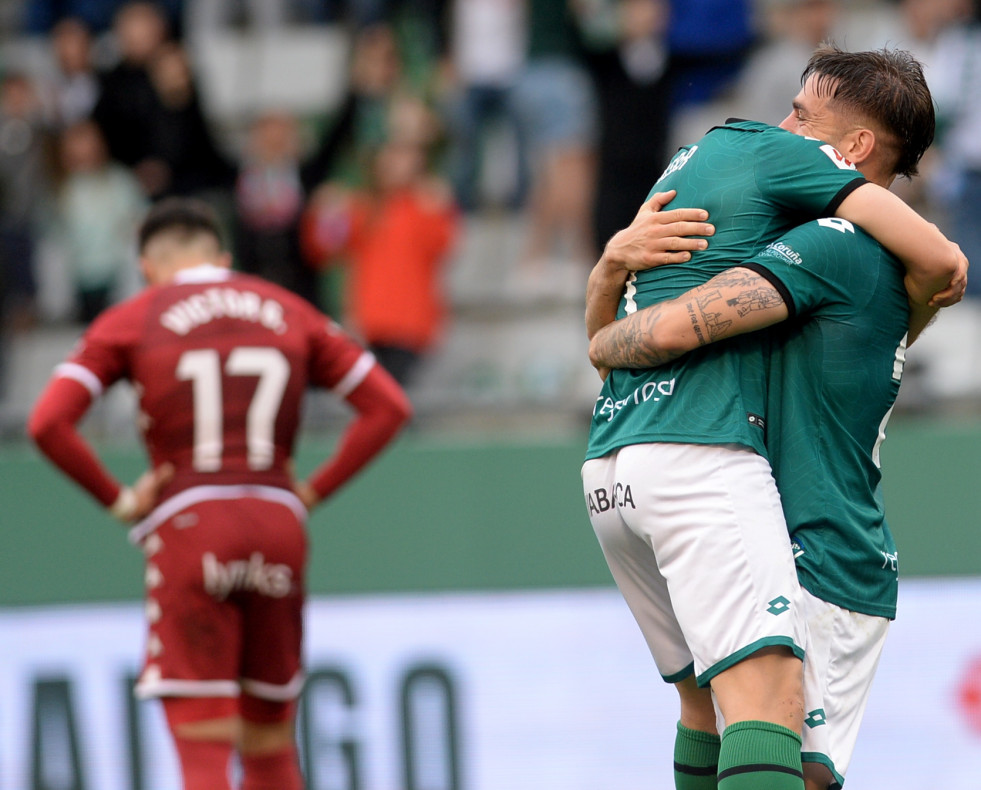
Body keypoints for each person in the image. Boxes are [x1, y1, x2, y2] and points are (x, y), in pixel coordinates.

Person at [580, 45, 965, 790]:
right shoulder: (849, 247)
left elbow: (661, 333)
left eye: (800, 113)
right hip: (769, 513)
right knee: (736, 727)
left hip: (820, 544)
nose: (779, 124)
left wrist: (604, 314)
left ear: (852, 149)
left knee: (766, 737)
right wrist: (614, 265)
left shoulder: (837, 244)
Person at [27, 197, 413, 790]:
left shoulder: (137, 315)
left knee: (204, 751)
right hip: (279, 525)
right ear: (223, 258)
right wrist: (310, 492)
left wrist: (122, 500)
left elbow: (48, 424)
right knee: (271, 745)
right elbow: (388, 407)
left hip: (190, 521)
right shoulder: (289, 310)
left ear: (149, 266)